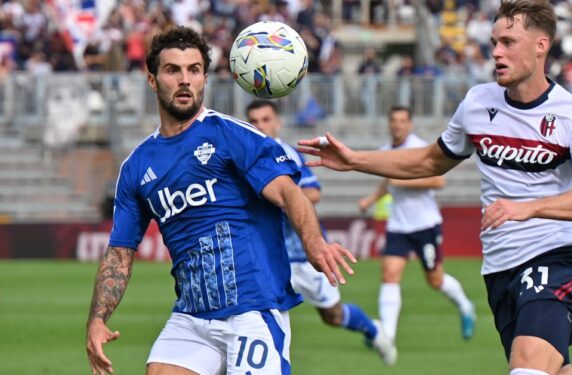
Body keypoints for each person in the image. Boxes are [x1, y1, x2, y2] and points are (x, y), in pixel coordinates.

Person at [299, 1, 572, 374]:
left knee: (526, 367)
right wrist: (355, 160)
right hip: (501, 265)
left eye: (508, 43)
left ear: (541, 46)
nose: (497, 53)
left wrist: (528, 207)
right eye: (493, 44)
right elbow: (429, 161)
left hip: (559, 256)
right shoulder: (477, 103)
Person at [85, 26, 355, 375]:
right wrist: (97, 318)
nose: (185, 80)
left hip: (252, 310)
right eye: (173, 70)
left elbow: (290, 193)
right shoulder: (137, 166)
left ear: (204, 78)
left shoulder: (232, 136)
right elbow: (120, 253)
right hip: (192, 316)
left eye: (194, 70)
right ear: (152, 80)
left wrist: (315, 243)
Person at [246, 100, 397, 365]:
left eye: (266, 119)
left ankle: (373, 330)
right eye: (254, 121)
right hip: (267, 256)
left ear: (277, 122)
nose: (260, 126)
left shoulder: (288, 155)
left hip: (303, 255)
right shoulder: (243, 156)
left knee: (332, 316)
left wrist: (280, 199)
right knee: (258, 317)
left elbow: (313, 192)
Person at [357, 106, 476, 361]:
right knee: (389, 274)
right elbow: (388, 181)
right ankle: (387, 338)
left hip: (425, 225)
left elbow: (438, 181)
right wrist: (371, 199)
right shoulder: (385, 152)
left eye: (402, 121)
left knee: (435, 280)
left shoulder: (420, 148)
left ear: (410, 124)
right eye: (394, 120)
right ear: (389, 124)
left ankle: (465, 306)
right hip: (398, 225)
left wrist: (403, 180)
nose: (397, 125)